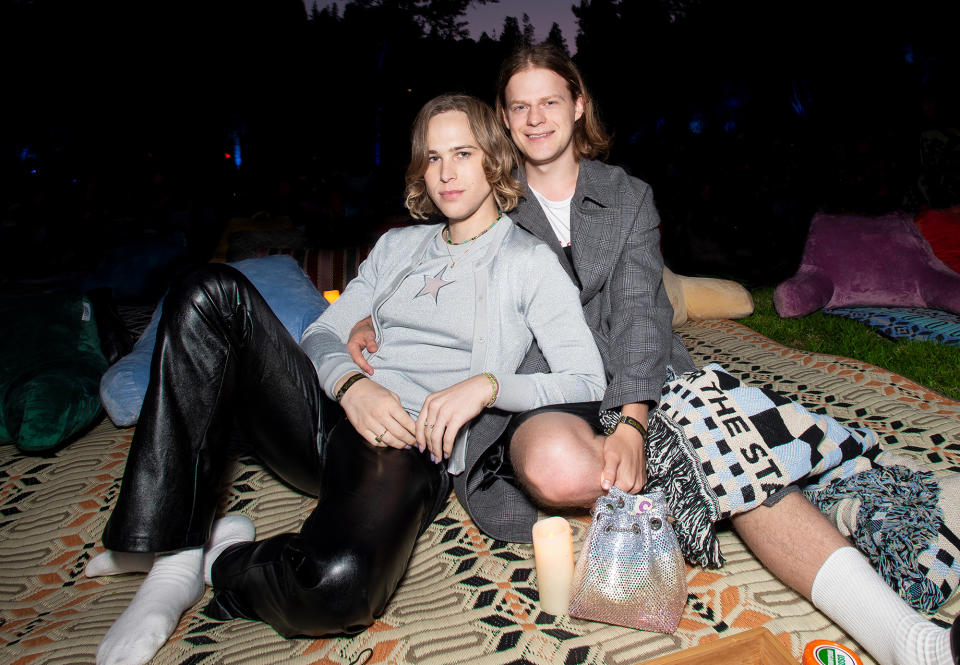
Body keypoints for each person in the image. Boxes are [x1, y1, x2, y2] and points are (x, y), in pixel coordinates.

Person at [347, 46, 959, 665]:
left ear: (578, 105)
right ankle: (816, 480)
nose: (535, 119)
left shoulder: (627, 196)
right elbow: (438, 259)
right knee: (559, 466)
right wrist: (375, 318)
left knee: (714, 453)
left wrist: (636, 422)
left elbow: (643, 313)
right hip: (542, 390)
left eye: (550, 101)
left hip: (645, 380)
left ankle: (907, 640)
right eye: (519, 106)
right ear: (503, 120)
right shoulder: (491, 194)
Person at [84, 93, 606, 665]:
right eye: (432, 158)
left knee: (336, 585)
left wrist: (488, 385)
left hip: (408, 449)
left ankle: (221, 559)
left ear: (495, 159)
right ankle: (171, 553)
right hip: (325, 415)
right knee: (210, 290)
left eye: (462, 152)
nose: (446, 173)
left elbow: (587, 378)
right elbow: (322, 334)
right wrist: (351, 387)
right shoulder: (396, 246)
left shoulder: (528, 262)